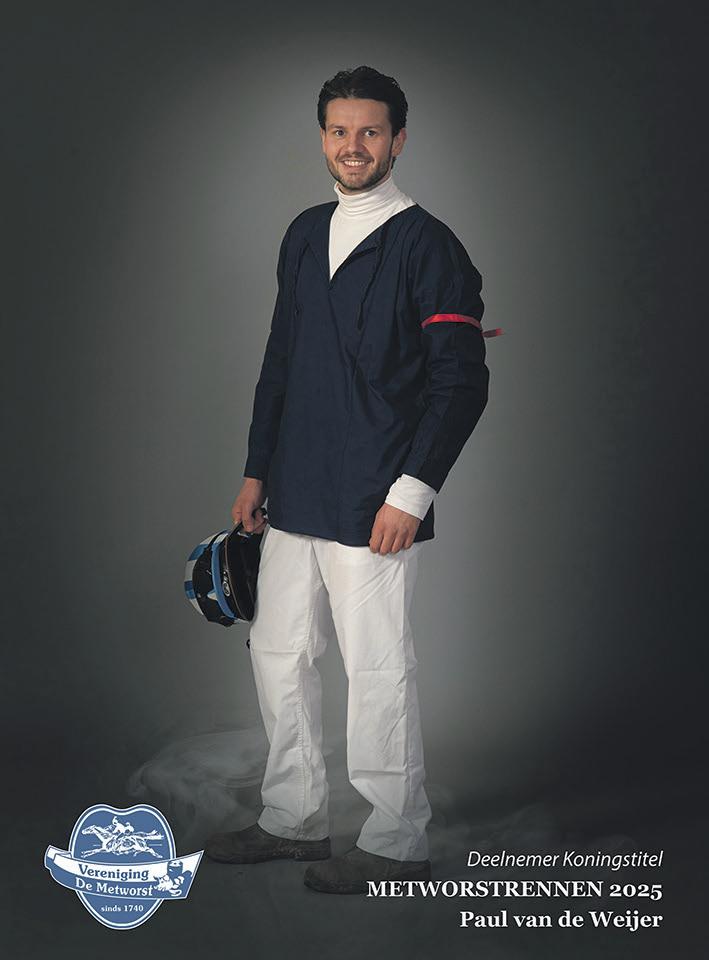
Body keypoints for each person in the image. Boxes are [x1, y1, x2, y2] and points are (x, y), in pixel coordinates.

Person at [205, 65, 500, 895]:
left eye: (370, 131)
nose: (353, 145)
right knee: (277, 654)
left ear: (398, 140)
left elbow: (460, 381)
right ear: (323, 138)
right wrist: (256, 468)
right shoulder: (304, 233)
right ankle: (292, 819)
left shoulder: (428, 245)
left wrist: (412, 492)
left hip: (376, 494)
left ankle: (396, 841)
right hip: (293, 486)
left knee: (376, 668)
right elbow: (280, 360)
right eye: (339, 130)